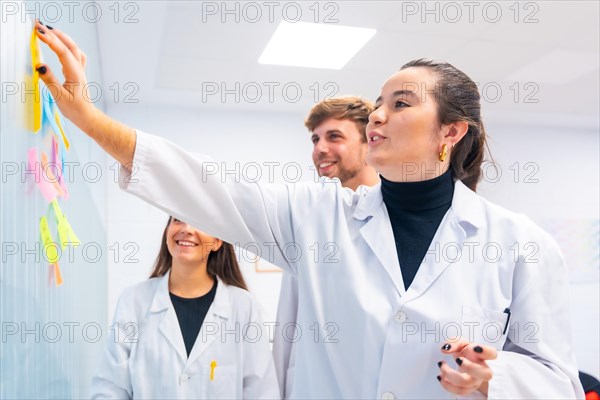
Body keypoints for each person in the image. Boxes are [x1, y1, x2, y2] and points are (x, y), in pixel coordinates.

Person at [35, 22, 584, 398]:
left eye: (401, 104)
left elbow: (560, 383)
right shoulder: (317, 217)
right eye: (377, 104)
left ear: (451, 132)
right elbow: (203, 184)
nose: (378, 117)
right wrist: (87, 117)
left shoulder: (519, 243)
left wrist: (495, 377)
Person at [90, 217, 279, 399]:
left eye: (198, 221)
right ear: (167, 233)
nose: (186, 229)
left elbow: (262, 392)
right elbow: (110, 388)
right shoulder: (134, 301)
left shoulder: (243, 307)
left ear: (217, 241)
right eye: (178, 219)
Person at [273, 97, 379, 398]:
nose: (320, 149)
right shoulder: (309, 217)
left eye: (335, 137)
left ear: (369, 143)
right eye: (316, 139)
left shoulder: (393, 217)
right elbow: (288, 325)